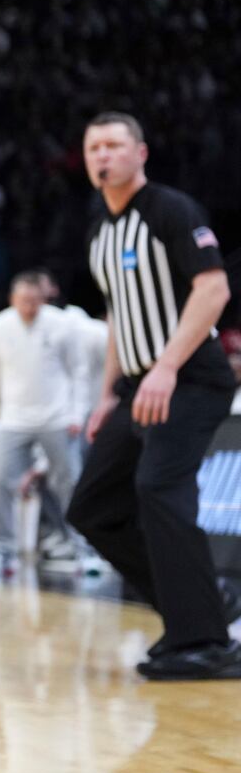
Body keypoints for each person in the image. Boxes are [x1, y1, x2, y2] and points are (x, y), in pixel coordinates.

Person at [66, 112, 241, 679]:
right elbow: (120, 314)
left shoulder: (170, 210)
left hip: (191, 376)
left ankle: (208, 642)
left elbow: (213, 289)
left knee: (159, 488)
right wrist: (106, 396)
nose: (103, 155)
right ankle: (199, 606)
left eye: (115, 145)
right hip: (139, 384)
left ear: (140, 154)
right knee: (92, 507)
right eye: (94, 146)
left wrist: (167, 366)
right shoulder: (100, 229)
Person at [0, 272, 90, 576]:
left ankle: (83, 550)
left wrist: (77, 414)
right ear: (13, 299)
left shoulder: (62, 324)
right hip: (13, 419)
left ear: (43, 298)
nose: (29, 307)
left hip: (57, 417)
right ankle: (3, 553)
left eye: (35, 301)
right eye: (23, 301)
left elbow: (80, 371)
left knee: (69, 483)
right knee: (1, 483)